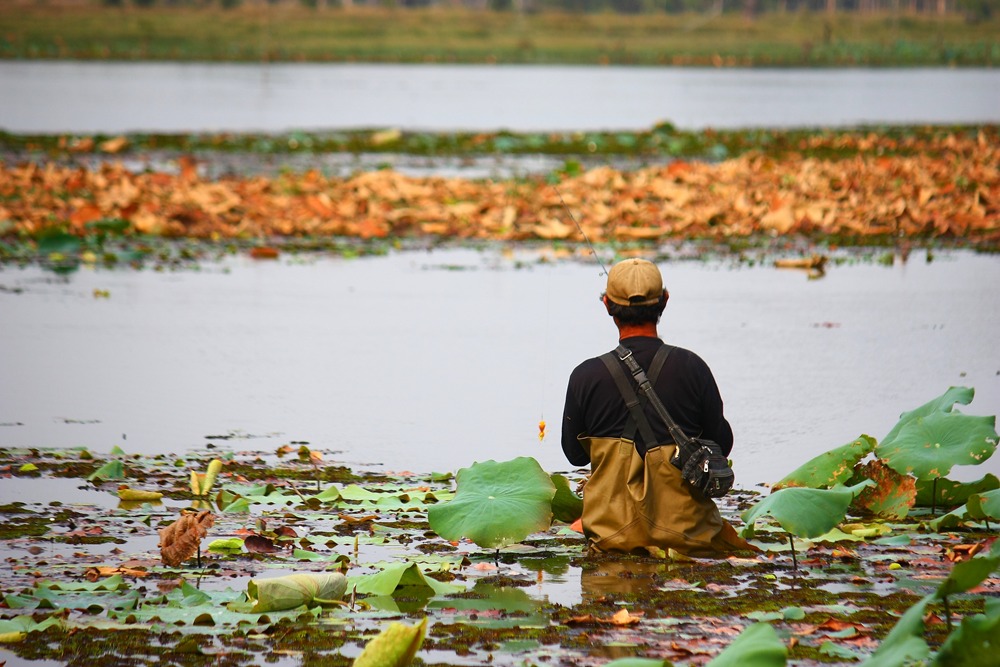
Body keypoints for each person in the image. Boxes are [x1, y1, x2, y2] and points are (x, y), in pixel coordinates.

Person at [561, 257, 753, 557]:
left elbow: (573, 455)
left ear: (608, 305)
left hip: (612, 538)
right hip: (690, 537)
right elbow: (722, 446)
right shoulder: (692, 367)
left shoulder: (585, 375)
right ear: (664, 301)